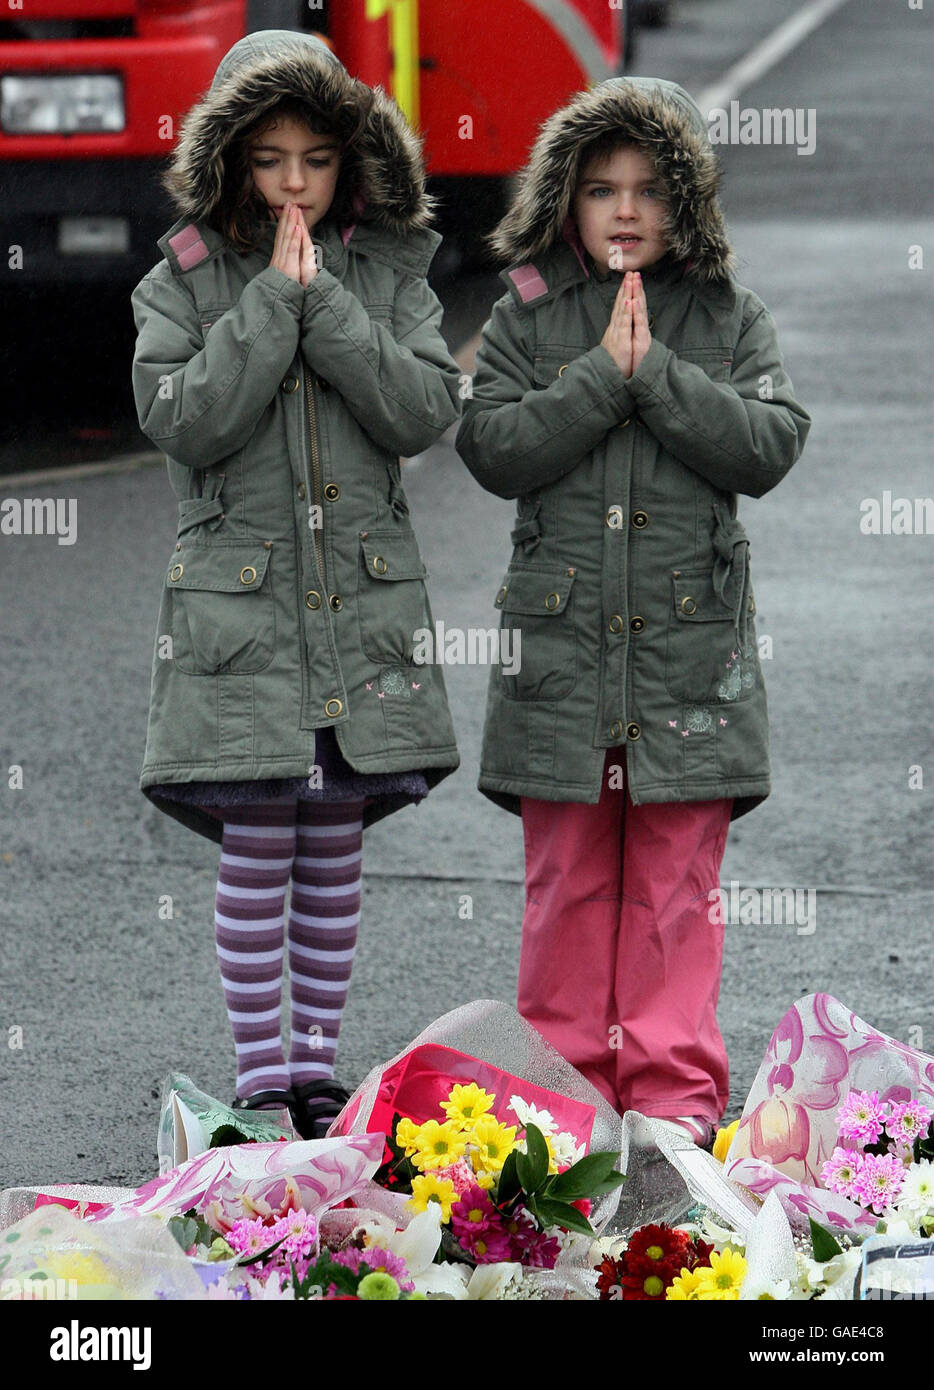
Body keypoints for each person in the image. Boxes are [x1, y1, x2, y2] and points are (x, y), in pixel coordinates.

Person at [455, 77, 811, 1148]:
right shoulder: (524, 312)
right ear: (563, 196)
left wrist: (652, 372)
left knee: (672, 882)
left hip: (689, 664)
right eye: (599, 187)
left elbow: (768, 442)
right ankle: (560, 1091)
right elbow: (491, 445)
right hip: (560, 662)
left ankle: (670, 1092)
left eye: (648, 189)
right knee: (566, 875)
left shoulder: (728, 316)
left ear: (686, 201)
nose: (622, 209)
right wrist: (594, 380)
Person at [130, 30, 460, 1138]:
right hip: (243, 620)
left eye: (314, 160)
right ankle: (261, 1069)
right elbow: (185, 421)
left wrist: (330, 309)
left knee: (331, 840)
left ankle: (318, 1067)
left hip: (354, 613)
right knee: (259, 836)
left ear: (349, 159)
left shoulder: (390, 270)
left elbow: (422, 410)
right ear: (229, 160)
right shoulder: (178, 281)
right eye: (267, 159)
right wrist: (272, 303)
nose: (292, 184)